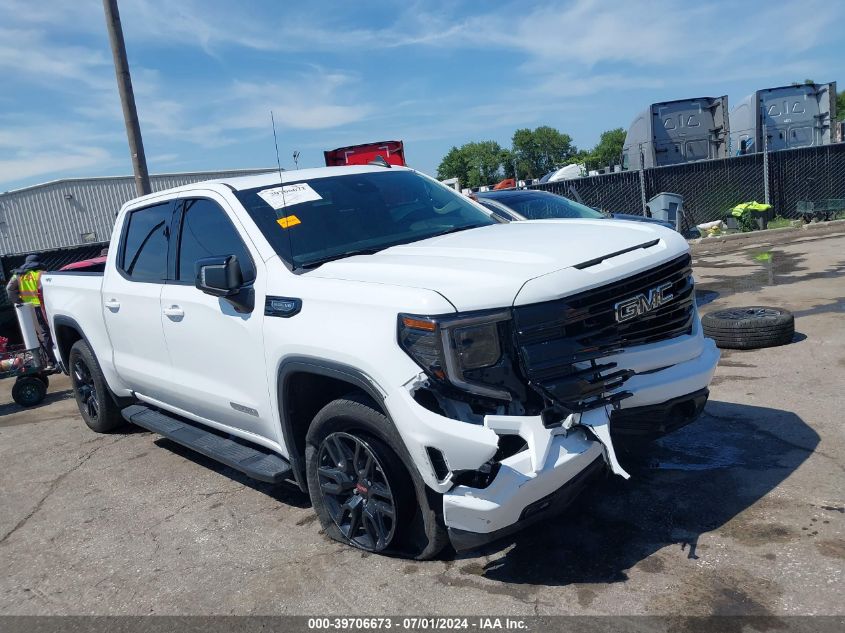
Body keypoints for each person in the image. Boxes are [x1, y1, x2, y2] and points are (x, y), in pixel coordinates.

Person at [6, 254, 56, 365]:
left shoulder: (18, 275)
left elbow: (9, 289)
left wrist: (18, 301)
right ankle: (52, 360)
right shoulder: (41, 274)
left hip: (27, 309)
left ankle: (43, 359)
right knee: (47, 333)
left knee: (35, 335)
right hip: (41, 308)